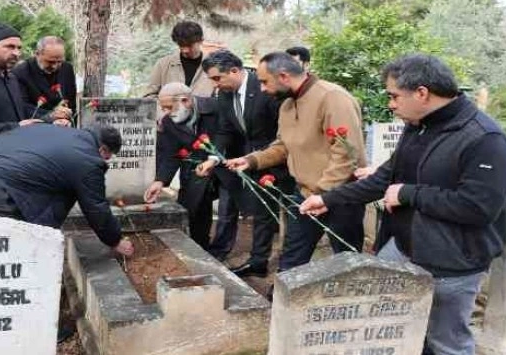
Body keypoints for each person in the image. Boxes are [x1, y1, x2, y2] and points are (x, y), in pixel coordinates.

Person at [300, 54, 506, 355]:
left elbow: (479, 207)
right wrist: (329, 199)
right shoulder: (419, 125)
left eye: (394, 96)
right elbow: (386, 178)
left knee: (445, 343)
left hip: (452, 264)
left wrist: (409, 194)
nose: (391, 104)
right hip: (401, 249)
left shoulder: (486, 139)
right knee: (394, 331)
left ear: (422, 93)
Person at [226, 52, 366, 273]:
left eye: (264, 82)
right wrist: (251, 160)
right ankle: (282, 303)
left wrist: (322, 193)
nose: (261, 89)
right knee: (291, 257)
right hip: (306, 195)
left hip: (341, 196)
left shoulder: (333, 98)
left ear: (283, 76)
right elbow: (283, 146)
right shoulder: (287, 105)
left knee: (348, 260)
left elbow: (347, 154)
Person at [0, 123, 134, 257]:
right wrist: (115, 240)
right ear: (103, 150)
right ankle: (20, 319)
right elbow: (95, 207)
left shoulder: (46, 130)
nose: (105, 161)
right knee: (7, 260)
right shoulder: (88, 159)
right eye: (108, 156)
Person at [198, 50, 294, 274]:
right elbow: (225, 130)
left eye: (217, 78)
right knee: (261, 212)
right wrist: (213, 158)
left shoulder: (265, 88)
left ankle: (290, 265)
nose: (215, 85)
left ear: (234, 70)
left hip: (284, 158)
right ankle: (259, 262)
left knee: (293, 214)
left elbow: (285, 127)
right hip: (253, 161)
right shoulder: (224, 96)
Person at [144, 82, 239, 251]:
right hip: (197, 167)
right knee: (195, 208)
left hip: (227, 162)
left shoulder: (216, 107)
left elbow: (231, 134)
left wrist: (215, 159)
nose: (165, 113)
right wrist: (160, 181)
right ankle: (199, 247)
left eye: (168, 107)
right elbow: (171, 153)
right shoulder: (168, 122)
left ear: (185, 101)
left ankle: (220, 251)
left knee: (226, 211)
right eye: (163, 108)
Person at [143, 21, 216, 98]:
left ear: (201, 41)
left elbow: (221, 100)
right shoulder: (163, 64)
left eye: (189, 45)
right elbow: (149, 97)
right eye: (181, 45)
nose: (185, 50)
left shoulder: (214, 65)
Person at [12, 36, 78, 122]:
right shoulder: (20, 72)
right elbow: (22, 107)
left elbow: (71, 102)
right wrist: (51, 116)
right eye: (50, 62)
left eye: (59, 61)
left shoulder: (67, 69)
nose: (55, 66)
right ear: (37, 54)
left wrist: (68, 119)